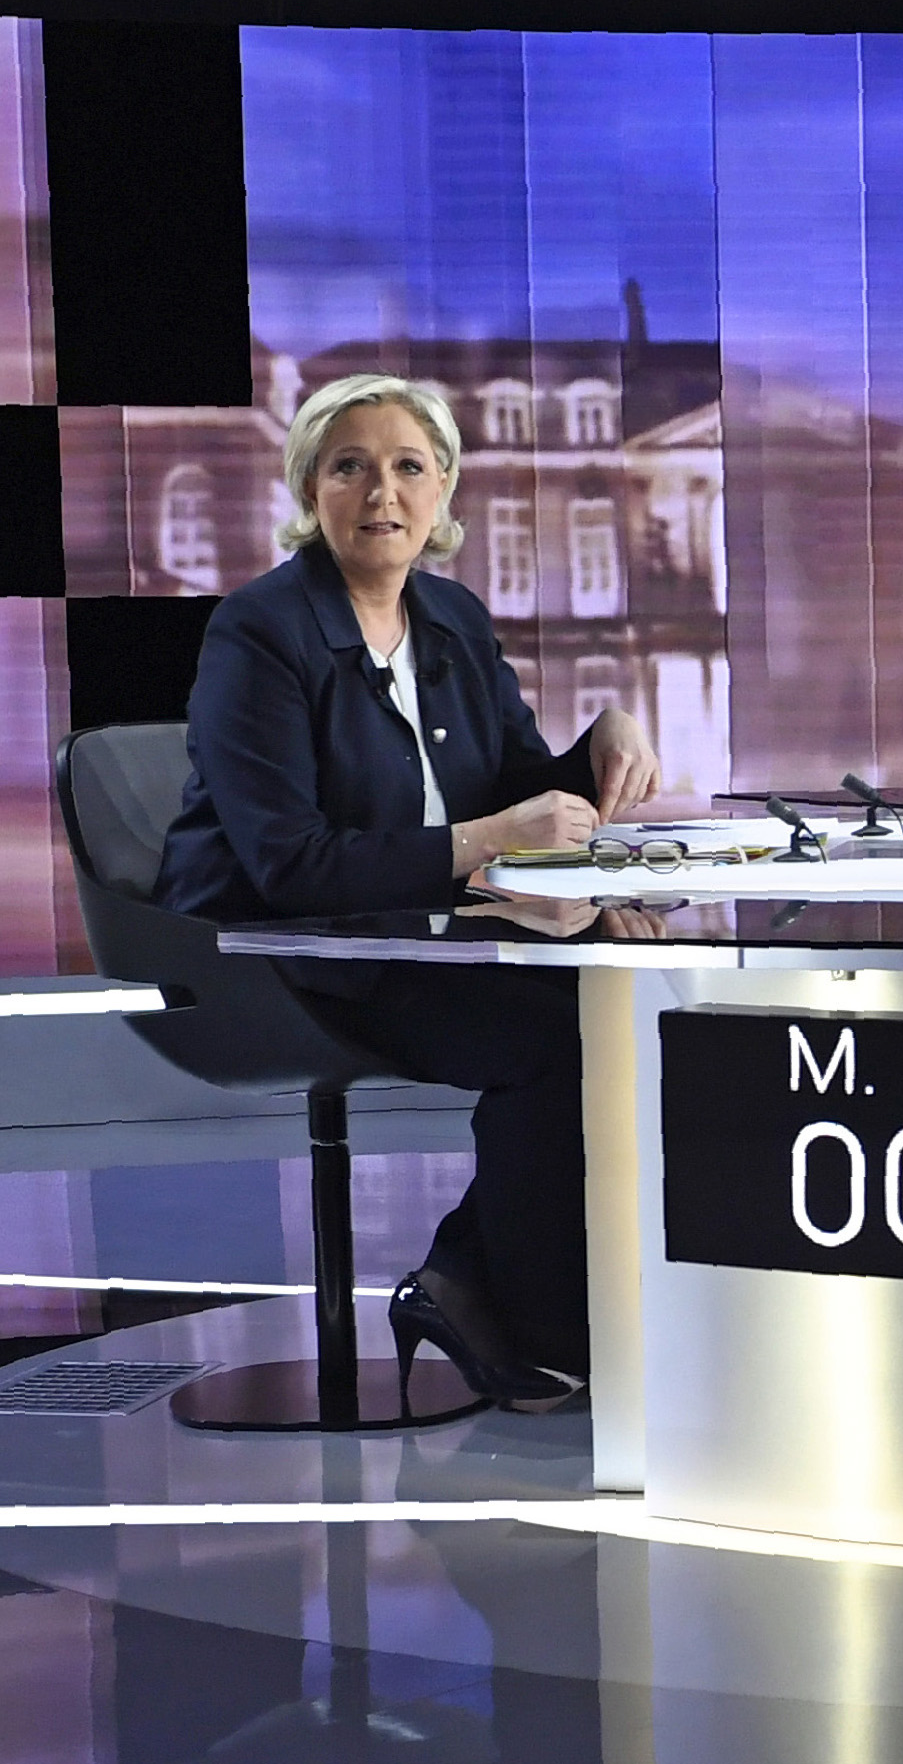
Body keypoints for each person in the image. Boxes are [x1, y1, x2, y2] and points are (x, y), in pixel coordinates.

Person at [156, 373, 663, 1410]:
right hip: (279, 957)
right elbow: (287, 865)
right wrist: (484, 841)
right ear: (309, 489)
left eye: (406, 467)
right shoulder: (258, 633)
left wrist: (598, 744)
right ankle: (534, 1324)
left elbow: (512, 786)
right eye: (349, 467)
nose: (379, 491)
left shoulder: (454, 619)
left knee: (624, 1005)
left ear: (443, 494)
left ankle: (470, 1281)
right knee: (551, 1037)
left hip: (416, 936)